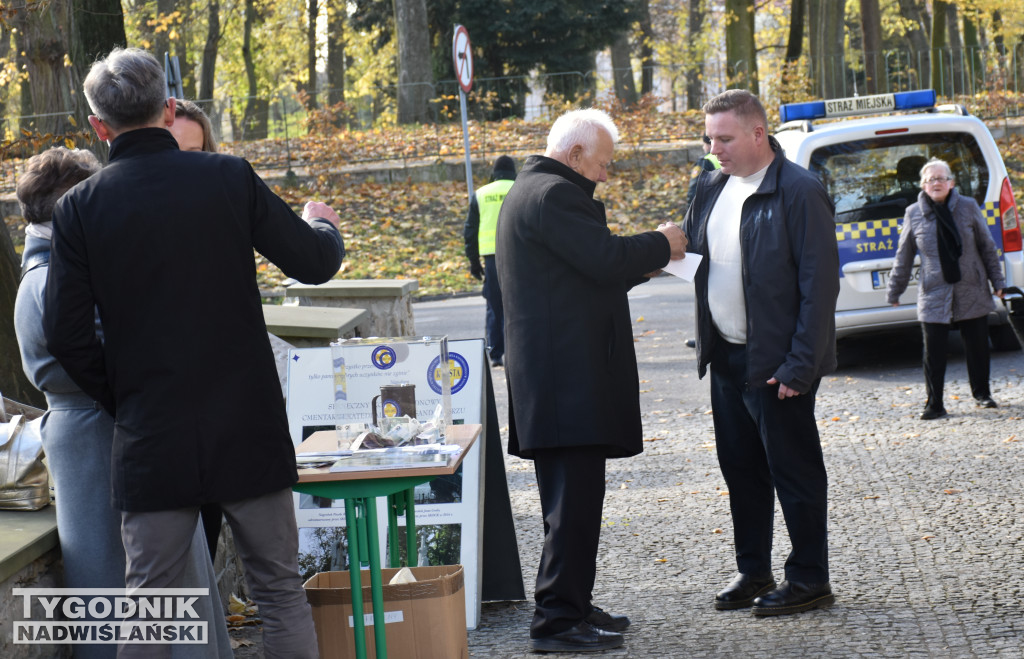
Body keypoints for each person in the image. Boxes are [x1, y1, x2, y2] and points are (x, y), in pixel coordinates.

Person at [43, 48, 344, 658]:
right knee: (279, 593)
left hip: (153, 432)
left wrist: (125, 394)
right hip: (247, 424)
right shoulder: (227, 177)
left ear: (99, 127)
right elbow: (313, 263)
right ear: (168, 108)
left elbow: (65, 336)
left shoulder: (79, 208)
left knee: (150, 606)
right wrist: (325, 226)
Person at [14, 147, 232, 659]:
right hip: (102, 433)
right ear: (71, 206)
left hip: (102, 430)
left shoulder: (58, 268)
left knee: (148, 578)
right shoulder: (52, 278)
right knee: (124, 582)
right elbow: (115, 352)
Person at [496, 108, 686, 653]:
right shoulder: (553, 195)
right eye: (602, 164)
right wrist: (663, 242)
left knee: (572, 505)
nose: (605, 175)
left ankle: (573, 603)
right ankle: (557, 621)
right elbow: (602, 257)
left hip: (558, 381)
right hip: (566, 384)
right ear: (575, 154)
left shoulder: (533, 191)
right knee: (572, 509)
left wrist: (642, 264)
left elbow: (582, 276)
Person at [682, 89, 839, 617]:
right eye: (709, 138)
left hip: (778, 363)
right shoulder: (710, 186)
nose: (714, 149)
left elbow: (820, 287)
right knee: (741, 471)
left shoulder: (799, 190)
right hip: (726, 357)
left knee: (795, 472)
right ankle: (754, 570)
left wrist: (801, 364)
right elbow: (692, 256)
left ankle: (810, 578)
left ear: (757, 133)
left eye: (724, 139)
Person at [886, 158, 1005, 420]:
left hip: (971, 286)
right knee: (933, 352)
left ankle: (982, 394)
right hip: (933, 291)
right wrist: (894, 291)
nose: (936, 183)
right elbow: (904, 256)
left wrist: (998, 283)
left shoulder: (968, 207)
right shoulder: (913, 213)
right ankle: (935, 404)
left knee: (977, 346)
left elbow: (987, 246)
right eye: (930, 179)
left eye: (941, 178)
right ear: (923, 185)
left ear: (951, 183)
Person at [167, 98, 226, 562]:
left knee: (208, 537)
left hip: (221, 412)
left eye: (194, 154)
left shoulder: (223, 215)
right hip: (158, 419)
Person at [464, 155, 516, 367]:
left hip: (492, 259)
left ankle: (495, 354)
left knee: (494, 306)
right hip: (518, 256)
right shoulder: (520, 189)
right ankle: (518, 351)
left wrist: (474, 262)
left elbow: (470, 231)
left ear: (494, 173)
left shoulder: (481, 194)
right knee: (519, 304)